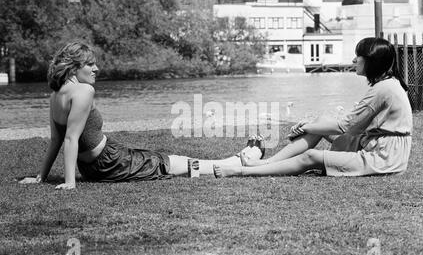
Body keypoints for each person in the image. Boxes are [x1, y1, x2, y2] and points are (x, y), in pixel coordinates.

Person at [19, 41, 263, 189]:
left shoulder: (56, 95)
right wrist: (70, 182)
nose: (96, 69)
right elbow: (69, 139)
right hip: (110, 163)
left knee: (168, 160)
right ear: (74, 67)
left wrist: (42, 177)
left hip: (97, 164)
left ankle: (237, 160)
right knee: (172, 164)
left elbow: (56, 140)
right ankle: (241, 162)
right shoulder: (84, 91)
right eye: (90, 65)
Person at [214, 37, 413, 178]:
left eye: (358, 56)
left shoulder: (383, 88)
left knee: (311, 156)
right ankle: (268, 162)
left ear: (371, 61)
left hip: (383, 159)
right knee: (319, 120)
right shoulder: (387, 84)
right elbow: (354, 125)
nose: (354, 60)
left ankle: (242, 171)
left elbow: (346, 125)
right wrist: (311, 124)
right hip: (376, 146)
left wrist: (307, 127)